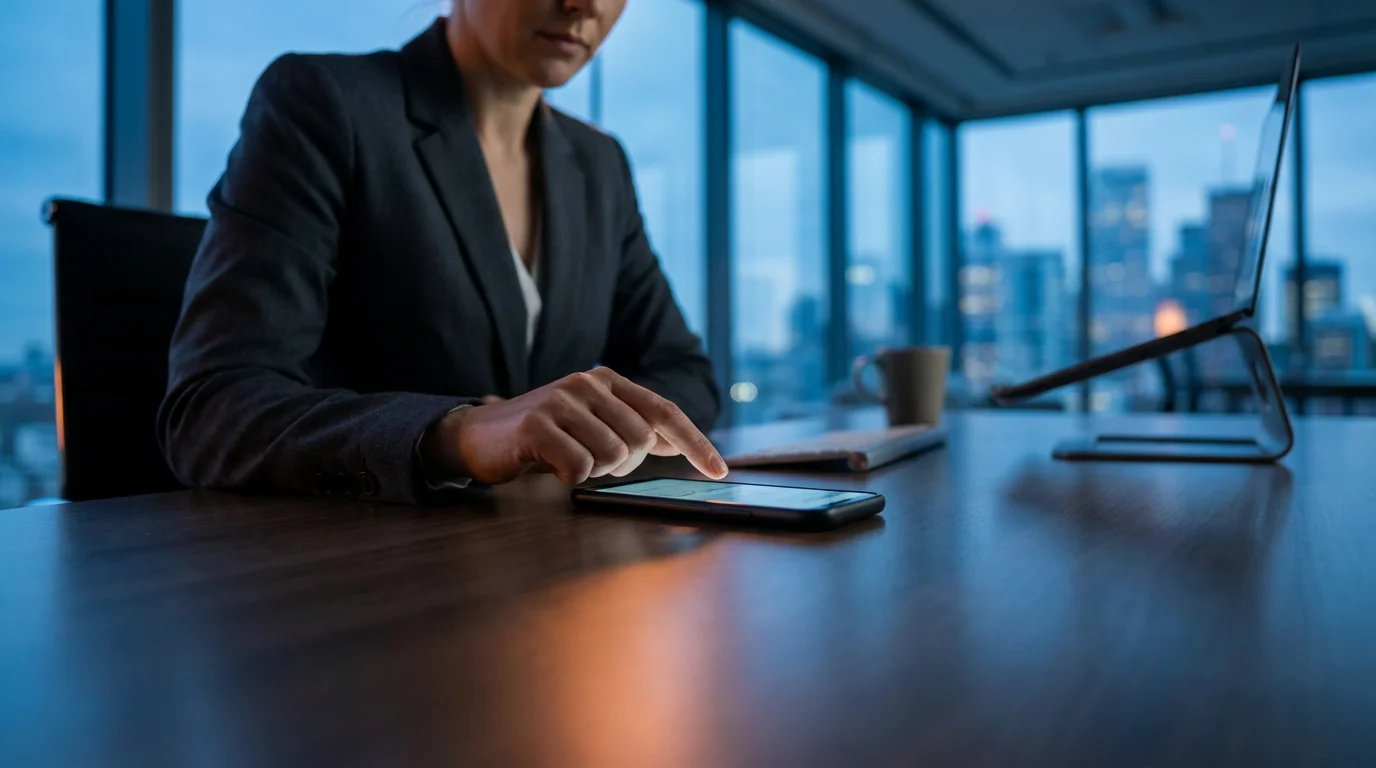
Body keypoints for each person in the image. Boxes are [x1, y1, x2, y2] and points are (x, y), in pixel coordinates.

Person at [158, 0, 727, 505]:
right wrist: (460, 433)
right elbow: (211, 410)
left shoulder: (598, 164)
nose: (583, 5)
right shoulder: (326, 102)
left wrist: (586, 428)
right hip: (358, 563)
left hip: (543, 548)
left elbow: (684, 376)